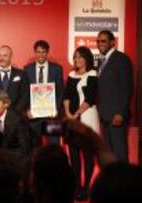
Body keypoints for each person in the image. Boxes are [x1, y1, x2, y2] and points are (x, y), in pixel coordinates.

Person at [63, 46, 99, 200]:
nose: (77, 59)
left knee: (87, 154)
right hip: (71, 118)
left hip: (87, 117)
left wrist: (76, 114)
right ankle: (77, 186)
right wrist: (68, 113)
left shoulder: (92, 74)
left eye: (80, 57)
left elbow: (90, 98)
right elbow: (66, 96)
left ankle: (86, 187)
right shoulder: (71, 74)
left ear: (87, 59)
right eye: (75, 56)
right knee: (74, 154)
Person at [97, 30, 133, 162]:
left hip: (116, 116)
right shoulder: (102, 62)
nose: (100, 44)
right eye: (98, 41)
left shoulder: (121, 59)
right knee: (110, 156)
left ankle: (125, 182)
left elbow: (126, 87)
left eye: (103, 41)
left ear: (112, 42)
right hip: (105, 116)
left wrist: (120, 113)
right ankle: (113, 182)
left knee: (120, 155)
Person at [0, 89, 38, 179]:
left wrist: (6, 159)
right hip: (8, 150)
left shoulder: (17, 121)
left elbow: (25, 149)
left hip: (27, 152)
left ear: (6, 104)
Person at [24, 40, 64, 145]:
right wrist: (28, 109)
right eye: (38, 52)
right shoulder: (27, 69)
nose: (40, 55)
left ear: (47, 52)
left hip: (52, 116)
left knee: (54, 146)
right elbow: (25, 92)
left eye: (43, 52)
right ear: (34, 52)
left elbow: (60, 92)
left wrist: (56, 109)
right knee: (34, 147)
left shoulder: (57, 69)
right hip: (34, 116)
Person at [0, 45, 29, 115]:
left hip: (15, 116)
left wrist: (15, 112)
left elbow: (24, 95)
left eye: (5, 56)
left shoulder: (21, 74)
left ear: (11, 56)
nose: (1, 58)